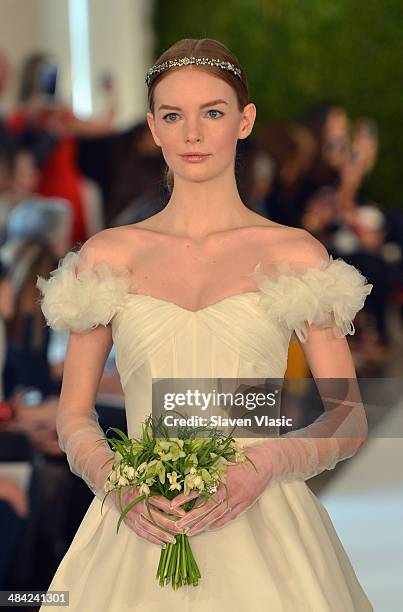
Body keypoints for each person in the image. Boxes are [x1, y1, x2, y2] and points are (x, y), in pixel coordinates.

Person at [35, 38, 374, 611]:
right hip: (137, 526)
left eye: (212, 112)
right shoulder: (109, 256)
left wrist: (269, 460)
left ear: (244, 122)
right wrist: (118, 483)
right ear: (153, 127)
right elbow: (73, 413)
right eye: (173, 115)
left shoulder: (294, 255)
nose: (192, 133)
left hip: (266, 521)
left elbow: (348, 414)